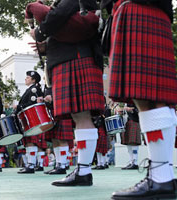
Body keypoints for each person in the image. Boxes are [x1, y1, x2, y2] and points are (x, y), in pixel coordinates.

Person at [106, 0, 177, 199]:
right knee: (146, 98)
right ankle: (162, 176)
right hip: (137, 9)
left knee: (151, 97)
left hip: (141, 8)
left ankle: (161, 178)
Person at [31, 0, 104, 186]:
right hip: (76, 57)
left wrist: (39, 33)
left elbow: (57, 16)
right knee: (80, 116)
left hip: (76, 59)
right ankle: (84, 169)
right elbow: (67, 27)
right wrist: (47, 47)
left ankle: (84, 171)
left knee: (81, 116)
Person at [15, 71, 45, 174]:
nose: (25, 79)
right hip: (29, 118)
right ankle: (30, 164)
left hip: (31, 118)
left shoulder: (34, 89)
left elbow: (31, 103)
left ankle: (31, 165)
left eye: (28, 78)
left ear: (33, 80)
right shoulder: (30, 89)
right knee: (28, 142)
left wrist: (18, 107)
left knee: (31, 142)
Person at [39, 86, 74, 175]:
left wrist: (53, 99)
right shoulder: (47, 84)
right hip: (52, 112)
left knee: (62, 139)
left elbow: (67, 94)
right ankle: (58, 164)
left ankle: (62, 165)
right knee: (54, 139)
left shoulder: (59, 78)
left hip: (62, 110)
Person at [117, 104, 141, 170]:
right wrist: (121, 112)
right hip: (126, 122)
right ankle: (131, 162)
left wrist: (131, 110)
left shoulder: (134, 101)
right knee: (128, 143)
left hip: (134, 121)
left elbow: (139, 111)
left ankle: (135, 163)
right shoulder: (125, 103)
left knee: (133, 142)